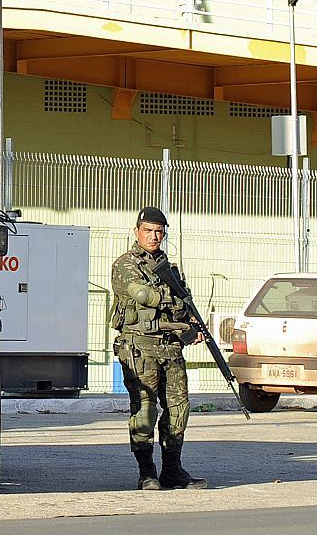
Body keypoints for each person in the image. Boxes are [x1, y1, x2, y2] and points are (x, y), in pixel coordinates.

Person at [110, 206, 208, 491]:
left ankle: (173, 470)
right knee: (145, 410)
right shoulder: (126, 264)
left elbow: (185, 302)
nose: (154, 236)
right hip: (140, 347)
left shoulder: (170, 268)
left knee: (179, 409)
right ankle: (146, 471)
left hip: (171, 348)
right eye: (148, 230)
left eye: (159, 231)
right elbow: (144, 295)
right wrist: (174, 300)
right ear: (137, 231)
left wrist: (192, 324)